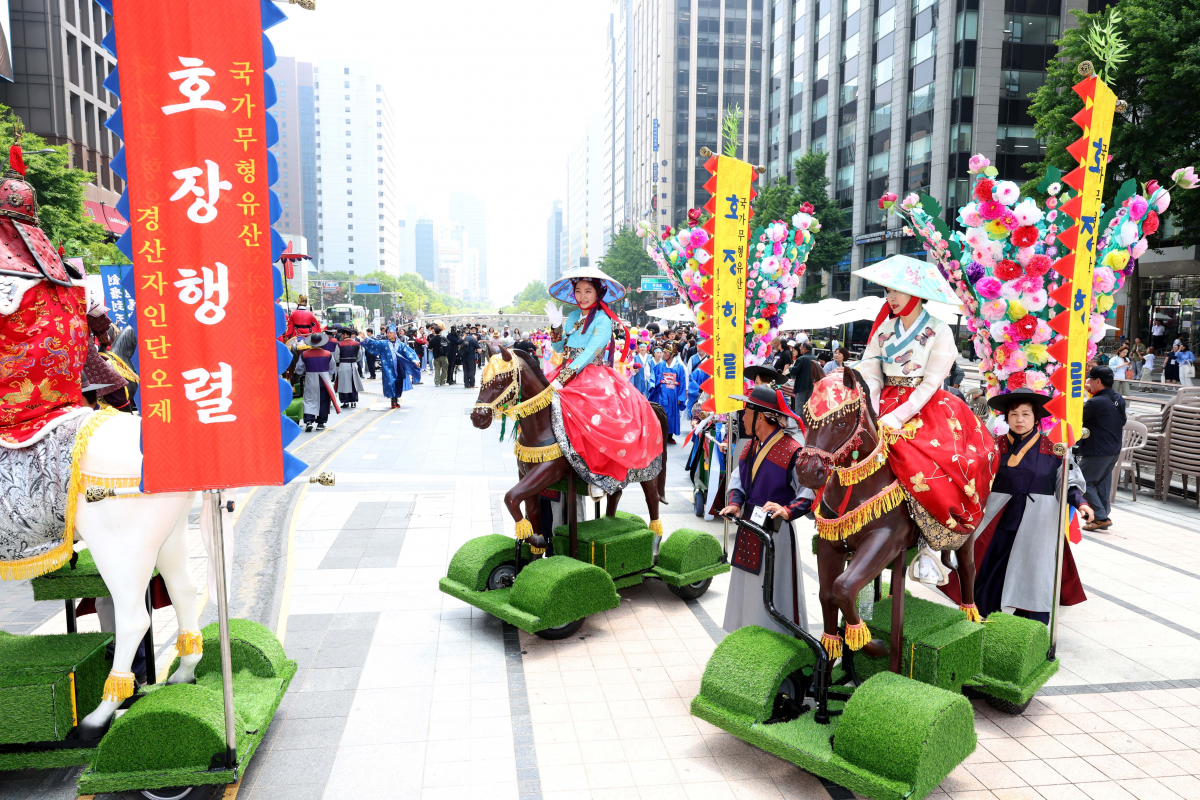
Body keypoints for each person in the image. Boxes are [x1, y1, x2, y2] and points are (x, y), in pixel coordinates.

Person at [852, 256, 998, 584]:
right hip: (883, 401)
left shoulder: (939, 330)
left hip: (926, 405)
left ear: (917, 294)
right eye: (888, 290)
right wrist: (874, 409)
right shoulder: (884, 330)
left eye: (898, 291)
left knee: (934, 461)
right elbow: (871, 371)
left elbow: (932, 382)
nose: (890, 296)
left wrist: (898, 415)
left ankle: (929, 545)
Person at [942, 389, 1091, 624]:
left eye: (1025, 414)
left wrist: (1081, 503)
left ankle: (1031, 623)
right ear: (1006, 418)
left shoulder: (1055, 448)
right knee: (990, 568)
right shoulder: (993, 446)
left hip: (1038, 521)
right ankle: (984, 615)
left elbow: (1067, 481)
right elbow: (975, 480)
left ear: (1036, 418)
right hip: (998, 520)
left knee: (1034, 573)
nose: (1019, 420)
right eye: (1014, 415)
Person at [543, 267, 663, 514]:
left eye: (588, 291)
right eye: (578, 291)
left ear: (599, 293)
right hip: (566, 370)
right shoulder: (573, 315)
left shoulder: (602, 319)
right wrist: (555, 326)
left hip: (591, 374)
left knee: (598, 416)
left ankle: (600, 475)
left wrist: (565, 377)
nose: (582, 296)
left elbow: (590, 353)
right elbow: (558, 348)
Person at [718, 385, 815, 636]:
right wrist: (735, 503)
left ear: (760, 416)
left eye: (747, 411)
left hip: (776, 531)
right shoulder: (751, 446)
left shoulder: (792, 450)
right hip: (749, 525)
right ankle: (745, 639)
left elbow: (809, 491)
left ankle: (777, 642)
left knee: (775, 588)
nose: (743, 417)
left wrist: (786, 509)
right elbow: (738, 480)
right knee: (746, 587)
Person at [1077, 365, 1126, 531]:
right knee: (1102, 483)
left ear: (1098, 381)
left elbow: (1077, 419)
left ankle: (1100, 516)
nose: (1088, 382)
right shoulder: (1118, 398)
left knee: (1082, 481)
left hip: (1098, 449)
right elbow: (1123, 421)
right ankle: (1102, 516)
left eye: (1090, 379)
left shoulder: (1096, 402)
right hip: (1113, 449)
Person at [362, 327, 420, 409]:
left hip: (399, 367)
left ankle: (396, 398)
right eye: (387, 333)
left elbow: (408, 353)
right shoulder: (383, 343)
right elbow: (374, 343)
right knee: (391, 382)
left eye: (390, 333)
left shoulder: (401, 344)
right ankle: (393, 400)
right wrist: (365, 338)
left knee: (398, 383)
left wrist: (414, 360)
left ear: (395, 334)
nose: (389, 334)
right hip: (387, 367)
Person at [294, 331, 335, 431]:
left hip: (310, 379)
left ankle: (308, 421)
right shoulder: (328, 354)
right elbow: (332, 369)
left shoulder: (305, 354)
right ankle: (321, 422)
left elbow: (299, 368)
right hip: (324, 379)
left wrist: (305, 372)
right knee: (323, 400)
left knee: (308, 399)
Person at [651, 345, 686, 443]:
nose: (663, 354)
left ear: (672, 355)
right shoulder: (660, 365)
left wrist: (680, 396)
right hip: (661, 393)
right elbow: (653, 375)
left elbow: (682, 382)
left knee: (671, 414)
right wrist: (653, 384)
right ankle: (661, 435)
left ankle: (670, 435)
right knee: (661, 413)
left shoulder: (679, 366)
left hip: (673, 394)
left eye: (666, 353)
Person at [332, 331, 365, 409]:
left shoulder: (339, 344)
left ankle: (345, 401)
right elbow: (359, 357)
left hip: (343, 365)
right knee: (353, 383)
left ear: (345, 334)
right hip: (353, 365)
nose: (342, 336)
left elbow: (336, 358)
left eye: (342, 334)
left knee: (343, 383)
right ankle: (353, 401)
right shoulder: (357, 344)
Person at [788, 342, 816, 412]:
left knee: (799, 405)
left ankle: (798, 422)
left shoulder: (802, 358)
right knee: (807, 406)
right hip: (811, 384)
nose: (800, 349)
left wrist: (790, 367)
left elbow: (794, 371)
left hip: (801, 385)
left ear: (804, 349)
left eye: (801, 348)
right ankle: (805, 422)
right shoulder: (814, 357)